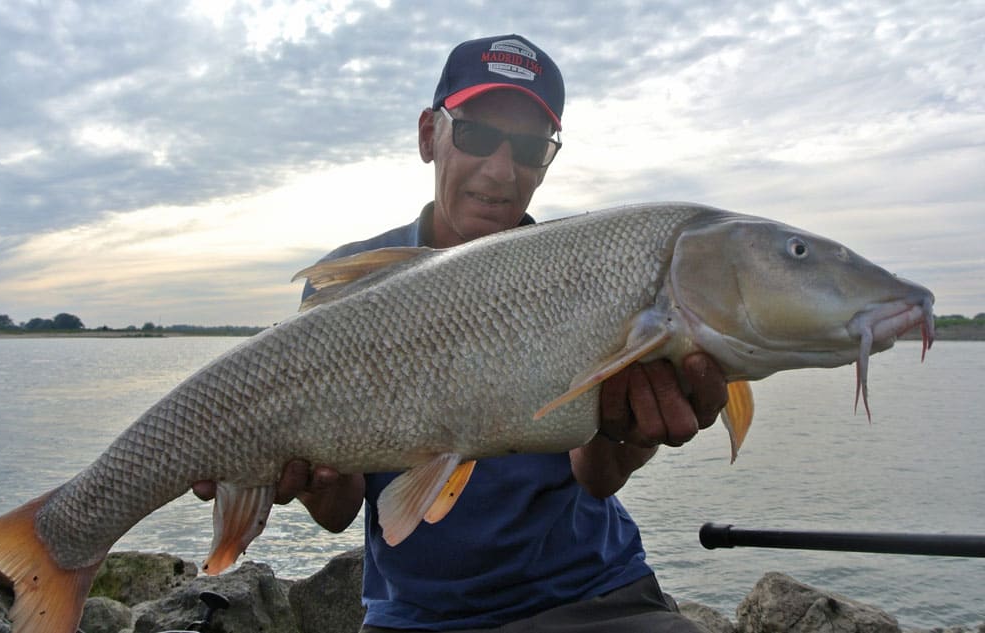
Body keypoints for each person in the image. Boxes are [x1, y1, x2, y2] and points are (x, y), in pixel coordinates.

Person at [197, 34, 727, 632]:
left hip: (592, 594)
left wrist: (634, 434)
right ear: (430, 135)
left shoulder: (585, 275)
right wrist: (300, 471)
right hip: (417, 616)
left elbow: (597, 478)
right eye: (475, 135)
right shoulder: (348, 284)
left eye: (528, 148)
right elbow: (340, 511)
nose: (501, 171)